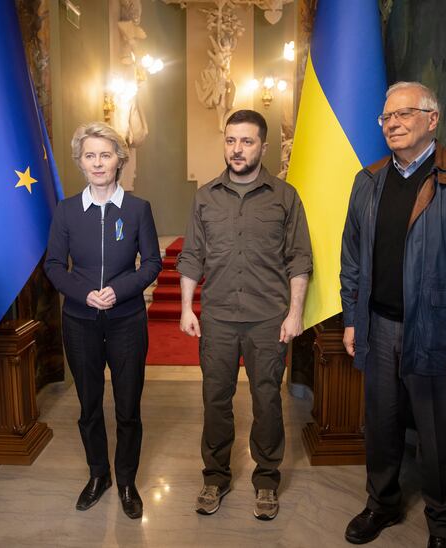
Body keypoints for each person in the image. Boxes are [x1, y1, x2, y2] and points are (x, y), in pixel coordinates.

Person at [339, 82, 446, 547]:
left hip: (440, 332)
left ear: (432, 120)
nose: (392, 123)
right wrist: (353, 318)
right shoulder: (368, 180)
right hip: (378, 328)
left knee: (437, 439)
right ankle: (381, 504)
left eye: (403, 114)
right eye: (385, 117)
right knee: (380, 428)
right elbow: (352, 257)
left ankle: (443, 524)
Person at [177, 110, 312, 521]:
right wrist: (186, 307)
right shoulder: (205, 197)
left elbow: (299, 258)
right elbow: (192, 256)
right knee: (215, 400)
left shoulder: (285, 197)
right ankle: (215, 477)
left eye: (247, 141)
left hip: (268, 319)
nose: (237, 149)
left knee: (267, 400)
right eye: (231, 140)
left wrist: (294, 314)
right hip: (217, 318)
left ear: (263, 147)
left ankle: (266, 480)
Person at [44, 122, 162, 519]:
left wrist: (121, 289)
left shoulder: (137, 209)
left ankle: (126, 480)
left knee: (128, 408)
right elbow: (55, 266)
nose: (98, 162)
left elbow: (152, 263)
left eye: (105, 154)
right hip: (79, 321)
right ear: (80, 161)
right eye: (90, 155)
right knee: (89, 406)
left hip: (127, 319)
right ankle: (99, 475)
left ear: (119, 161)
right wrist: (83, 293)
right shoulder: (65, 210)